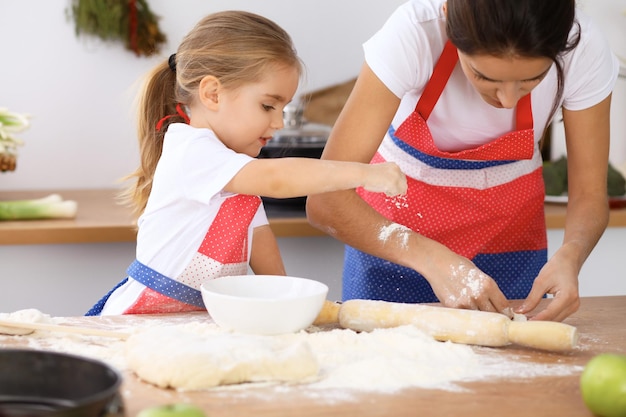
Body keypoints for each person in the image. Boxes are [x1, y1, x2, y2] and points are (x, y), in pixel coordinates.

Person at [306, 0, 620, 322]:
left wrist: (572, 254)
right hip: (394, 255)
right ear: (447, 21)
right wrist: (431, 258)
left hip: (510, 255)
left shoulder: (583, 47)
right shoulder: (414, 34)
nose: (507, 100)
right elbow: (325, 199)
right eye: (486, 77)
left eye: (531, 79)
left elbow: (589, 195)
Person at [86, 10, 406, 316]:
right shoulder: (192, 150)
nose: (279, 123)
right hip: (143, 317)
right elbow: (276, 180)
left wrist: (288, 305)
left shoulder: (237, 177)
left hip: (192, 320)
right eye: (268, 106)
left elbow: (264, 253)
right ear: (212, 94)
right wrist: (364, 173)